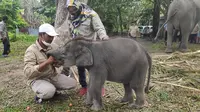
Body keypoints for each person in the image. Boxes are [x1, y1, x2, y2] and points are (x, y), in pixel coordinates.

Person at [24, 23, 77, 103]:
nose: (51, 39)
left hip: (52, 76)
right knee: (49, 92)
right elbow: (28, 72)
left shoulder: (52, 47)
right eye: (49, 36)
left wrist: (59, 62)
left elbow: (58, 64)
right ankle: (40, 96)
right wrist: (47, 62)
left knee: (73, 83)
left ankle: (52, 89)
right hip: (38, 79)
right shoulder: (31, 50)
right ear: (41, 35)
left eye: (53, 36)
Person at [66, 0, 109, 96]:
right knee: (80, 67)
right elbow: (70, 30)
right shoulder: (71, 17)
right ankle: (84, 87)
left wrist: (104, 37)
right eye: (69, 9)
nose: (71, 11)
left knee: (94, 68)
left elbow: (99, 28)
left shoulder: (91, 14)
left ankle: (99, 87)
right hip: (77, 46)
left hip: (91, 46)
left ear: (78, 6)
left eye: (73, 8)